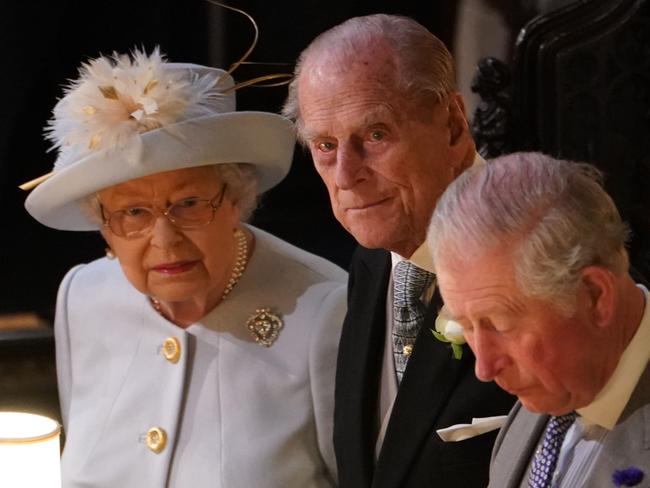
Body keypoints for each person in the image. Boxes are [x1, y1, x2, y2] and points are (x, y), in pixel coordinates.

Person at [23, 49, 346, 487]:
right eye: (133, 213)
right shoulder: (82, 296)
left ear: (235, 199)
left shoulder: (326, 311)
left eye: (189, 204)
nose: (165, 239)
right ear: (103, 226)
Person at [282, 14, 515, 488]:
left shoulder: (536, 254)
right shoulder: (371, 261)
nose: (346, 175)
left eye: (375, 135)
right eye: (326, 145)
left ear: (452, 125)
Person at [428, 151, 650, 487]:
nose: (484, 369)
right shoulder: (544, 398)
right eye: (468, 326)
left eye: (500, 325)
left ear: (594, 295)